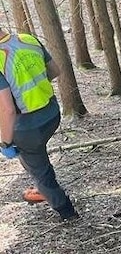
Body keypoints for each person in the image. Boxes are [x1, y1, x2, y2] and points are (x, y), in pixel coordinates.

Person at [0, 30, 79, 221]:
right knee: (34, 156)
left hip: (28, 127)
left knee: (38, 168)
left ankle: (66, 211)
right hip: (52, 113)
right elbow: (55, 70)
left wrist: (5, 143)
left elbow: (8, 110)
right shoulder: (26, 39)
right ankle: (43, 186)